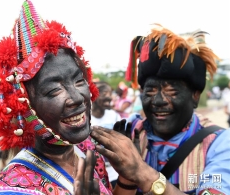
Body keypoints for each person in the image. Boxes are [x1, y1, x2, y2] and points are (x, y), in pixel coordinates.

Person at [0, 1, 136, 194]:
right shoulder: (8, 191)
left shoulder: (86, 148)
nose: (77, 98)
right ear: (26, 105)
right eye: (54, 90)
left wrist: (127, 176)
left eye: (79, 81)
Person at [90, 25, 230, 195]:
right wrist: (126, 178)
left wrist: (141, 173)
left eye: (171, 91)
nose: (158, 101)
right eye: (150, 91)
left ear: (195, 96)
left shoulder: (218, 143)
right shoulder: (130, 133)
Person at [91, 81, 121, 188]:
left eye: (110, 93)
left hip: (115, 173)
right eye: (104, 94)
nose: (109, 97)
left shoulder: (114, 116)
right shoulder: (85, 118)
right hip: (95, 176)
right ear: (94, 96)